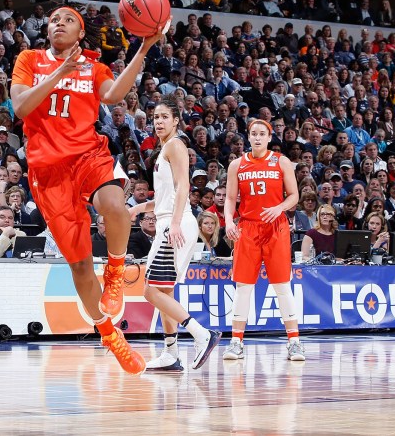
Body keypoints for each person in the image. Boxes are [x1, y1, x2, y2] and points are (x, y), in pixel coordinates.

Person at [10, 5, 163, 374]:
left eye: (67, 20)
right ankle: (109, 335)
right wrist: (60, 73)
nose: (58, 23)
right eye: (53, 20)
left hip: (88, 155)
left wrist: (143, 50)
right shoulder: (29, 59)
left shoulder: (95, 67)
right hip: (48, 171)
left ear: (81, 34)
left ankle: (115, 268)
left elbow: (112, 97)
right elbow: (20, 106)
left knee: (113, 202)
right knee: (79, 266)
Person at [128, 96, 220, 371]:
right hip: (169, 219)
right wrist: (138, 209)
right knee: (164, 291)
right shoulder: (164, 149)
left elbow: (183, 188)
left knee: (150, 290)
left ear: (176, 120)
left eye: (164, 116)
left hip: (174, 224)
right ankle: (170, 353)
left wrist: (176, 222)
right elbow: (166, 197)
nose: (158, 121)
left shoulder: (176, 145)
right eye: (155, 117)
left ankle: (201, 334)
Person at [223, 119, 303, 362]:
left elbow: (294, 196)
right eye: (253, 134)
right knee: (243, 287)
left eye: (262, 134)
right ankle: (236, 342)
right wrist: (228, 221)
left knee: (281, 286)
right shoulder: (237, 165)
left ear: (269, 137)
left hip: (276, 228)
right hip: (247, 227)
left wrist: (280, 208)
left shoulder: (281, 161)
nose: (257, 138)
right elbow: (229, 199)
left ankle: (295, 342)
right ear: (248, 137)